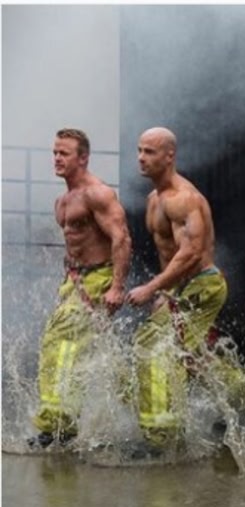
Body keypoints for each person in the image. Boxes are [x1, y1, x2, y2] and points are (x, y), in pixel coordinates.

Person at [127, 126, 245, 455]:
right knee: (187, 353)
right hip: (180, 288)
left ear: (169, 156)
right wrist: (164, 293)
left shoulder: (183, 199)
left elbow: (191, 253)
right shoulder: (154, 199)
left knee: (154, 344)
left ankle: (161, 437)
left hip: (202, 286)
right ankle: (238, 394)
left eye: (149, 152)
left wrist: (152, 287)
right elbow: (169, 256)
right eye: (139, 150)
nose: (141, 158)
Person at [29, 128, 132, 449]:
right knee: (94, 352)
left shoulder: (97, 194)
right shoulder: (62, 201)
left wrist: (116, 287)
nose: (57, 158)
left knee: (60, 344)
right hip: (75, 281)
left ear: (83, 157)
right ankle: (138, 410)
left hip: (99, 280)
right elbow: (74, 245)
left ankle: (58, 425)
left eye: (64, 153)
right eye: (55, 153)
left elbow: (122, 238)